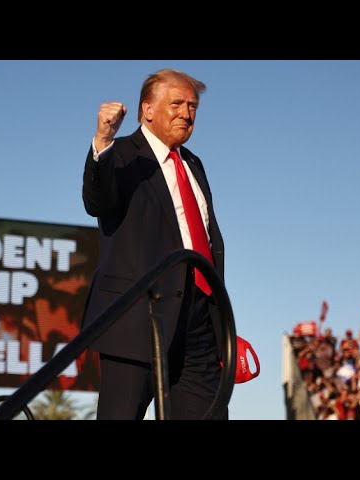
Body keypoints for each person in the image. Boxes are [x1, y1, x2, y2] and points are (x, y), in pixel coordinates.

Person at [81, 69, 228, 420]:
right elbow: (96, 201)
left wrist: (220, 322)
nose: (186, 113)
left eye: (192, 106)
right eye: (176, 103)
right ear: (147, 110)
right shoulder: (122, 154)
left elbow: (207, 238)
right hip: (138, 317)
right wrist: (102, 140)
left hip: (199, 323)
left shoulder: (193, 164)